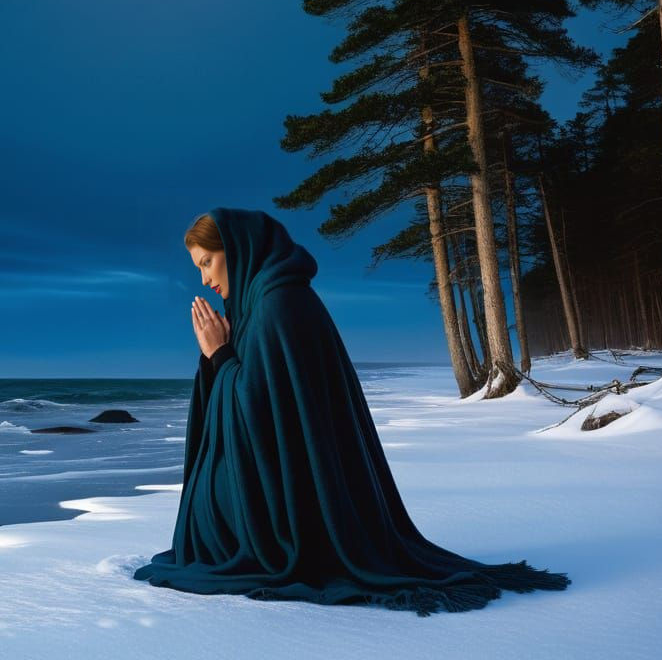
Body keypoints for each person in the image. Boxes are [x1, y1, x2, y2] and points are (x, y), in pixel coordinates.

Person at [132, 207, 570, 615]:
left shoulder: (276, 307)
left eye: (208, 262)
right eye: (199, 268)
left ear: (238, 249)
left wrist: (219, 356)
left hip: (289, 496)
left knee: (207, 528)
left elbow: (259, 409)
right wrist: (220, 358)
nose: (205, 279)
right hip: (287, 473)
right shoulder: (266, 302)